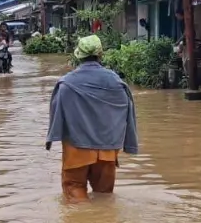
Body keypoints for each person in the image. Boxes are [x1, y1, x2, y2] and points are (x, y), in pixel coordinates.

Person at [46, 34, 139, 201]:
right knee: (104, 198)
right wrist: (129, 144)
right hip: (107, 151)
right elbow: (127, 115)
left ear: (78, 55)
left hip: (76, 150)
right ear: (100, 54)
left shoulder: (66, 84)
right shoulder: (117, 83)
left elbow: (57, 117)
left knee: (75, 192)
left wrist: (51, 140)